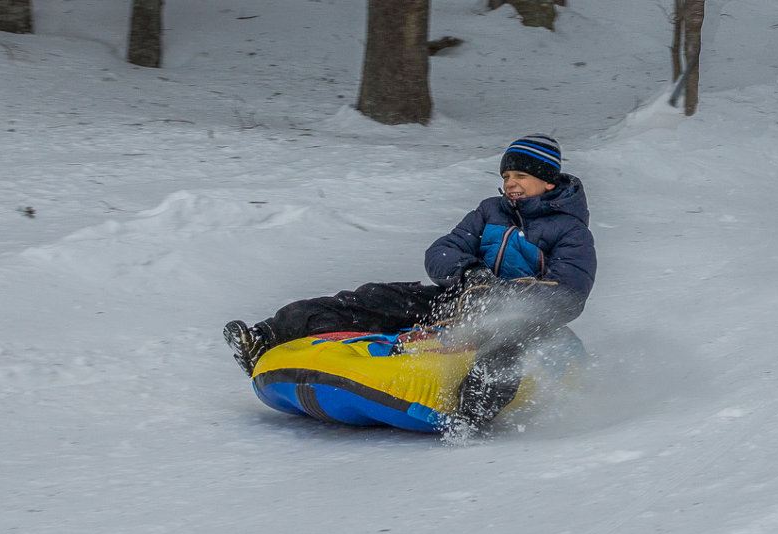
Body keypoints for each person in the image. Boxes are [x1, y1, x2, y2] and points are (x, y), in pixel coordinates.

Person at [224, 133, 596, 433]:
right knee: (377, 298)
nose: (510, 184)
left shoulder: (570, 230)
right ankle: (266, 338)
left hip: (522, 316)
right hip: (463, 296)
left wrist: (509, 297)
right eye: (506, 177)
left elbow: (569, 292)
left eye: (520, 177)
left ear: (547, 181)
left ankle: (471, 416)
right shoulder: (489, 211)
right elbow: (443, 250)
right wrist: (470, 275)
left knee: (507, 341)